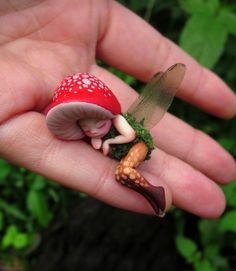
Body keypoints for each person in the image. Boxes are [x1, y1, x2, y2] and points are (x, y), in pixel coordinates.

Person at [0, 0, 235, 218]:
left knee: (122, 171)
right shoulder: (94, 132)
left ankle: (153, 192)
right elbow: (95, 143)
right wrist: (96, 139)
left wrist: (110, 143)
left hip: (138, 146)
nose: (93, 129)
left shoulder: (117, 120)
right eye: (86, 127)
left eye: (96, 122)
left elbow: (130, 135)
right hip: (126, 152)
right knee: (121, 173)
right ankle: (152, 192)